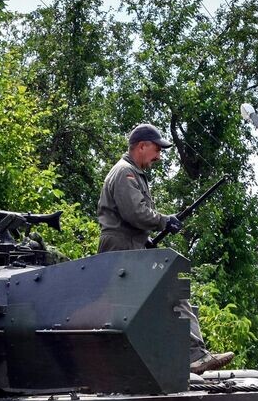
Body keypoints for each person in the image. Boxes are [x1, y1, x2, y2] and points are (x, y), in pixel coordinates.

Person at [97, 123, 233, 374]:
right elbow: (135, 213)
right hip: (122, 247)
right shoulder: (125, 173)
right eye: (157, 149)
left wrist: (149, 235)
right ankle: (193, 354)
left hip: (129, 245)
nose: (158, 156)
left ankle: (181, 355)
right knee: (169, 292)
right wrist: (163, 220)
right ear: (142, 146)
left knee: (151, 303)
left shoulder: (132, 173)